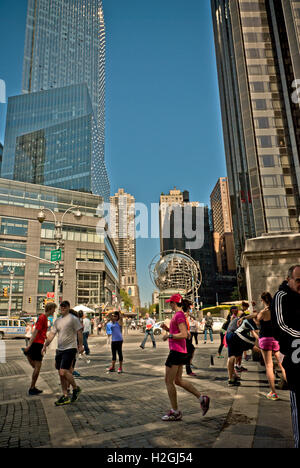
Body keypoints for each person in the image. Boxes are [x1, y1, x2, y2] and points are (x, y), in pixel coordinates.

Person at [160, 294, 210, 421]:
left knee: (168, 381)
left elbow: (184, 334)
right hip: (179, 351)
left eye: (170, 302)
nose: (169, 304)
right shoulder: (179, 315)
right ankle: (201, 398)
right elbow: (181, 332)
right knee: (178, 380)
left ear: (175, 303)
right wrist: (167, 328)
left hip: (176, 352)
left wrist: (169, 336)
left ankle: (175, 411)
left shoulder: (179, 315)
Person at [271, 266, 300, 448]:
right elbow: (281, 327)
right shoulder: (281, 297)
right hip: (297, 363)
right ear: (288, 279)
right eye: (298, 280)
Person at [42, 300, 84, 406]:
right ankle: (65, 396)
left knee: (63, 371)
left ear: (69, 307)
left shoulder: (73, 319)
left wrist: (80, 345)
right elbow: (51, 334)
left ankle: (76, 388)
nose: (63, 308)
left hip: (70, 348)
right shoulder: (57, 321)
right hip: (60, 349)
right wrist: (45, 345)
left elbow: (79, 332)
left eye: (65, 306)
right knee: (60, 373)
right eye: (61, 306)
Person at [257, 292, 287, 401]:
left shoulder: (263, 312)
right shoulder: (276, 311)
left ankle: (273, 393)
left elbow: (256, 321)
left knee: (269, 366)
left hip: (265, 340)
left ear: (262, 300)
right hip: (276, 340)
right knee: (282, 364)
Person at [23, 303, 57, 396]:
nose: (54, 311)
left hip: (39, 344)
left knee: (36, 367)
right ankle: (32, 388)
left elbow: (41, 332)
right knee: (37, 367)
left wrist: (46, 342)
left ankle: (33, 387)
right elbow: (35, 332)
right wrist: (29, 345)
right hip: (37, 344)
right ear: (50, 309)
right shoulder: (42, 318)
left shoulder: (44, 318)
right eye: (54, 309)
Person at [226, 314, 260, 386]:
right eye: (259, 320)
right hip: (236, 335)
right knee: (254, 346)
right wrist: (263, 342)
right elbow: (255, 334)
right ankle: (269, 359)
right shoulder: (250, 321)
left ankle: (231, 379)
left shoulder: (240, 318)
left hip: (228, 334)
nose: (259, 323)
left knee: (232, 356)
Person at [182, 300, 197, 377]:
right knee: (188, 352)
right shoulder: (183, 314)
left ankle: (188, 365)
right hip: (185, 336)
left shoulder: (187, 314)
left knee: (191, 350)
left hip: (187, 335)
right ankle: (188, 368)